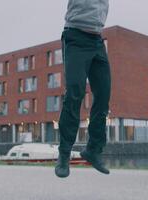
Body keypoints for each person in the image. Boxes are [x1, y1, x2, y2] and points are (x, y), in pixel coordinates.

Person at [55, 0, 111, 178]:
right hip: (75, 38)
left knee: (103, 96)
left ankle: (93, 150)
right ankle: (64, 154)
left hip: (97, 41)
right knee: (75, 93)